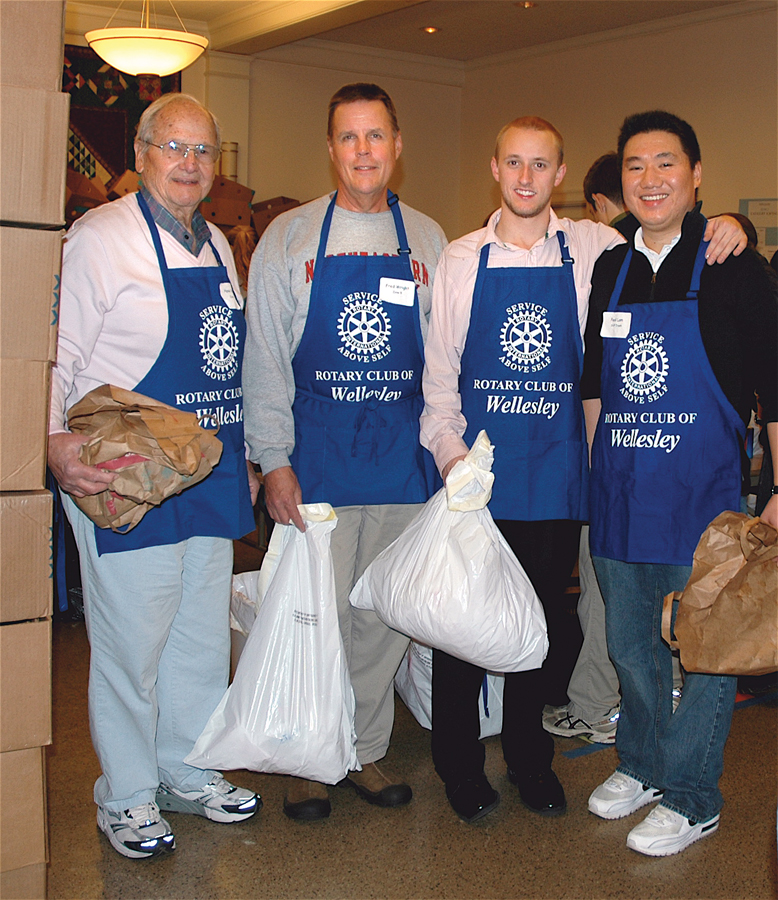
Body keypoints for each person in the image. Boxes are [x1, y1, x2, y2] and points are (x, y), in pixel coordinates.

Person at [419, 116, 746, 825]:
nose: (527, 177)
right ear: (496, 170)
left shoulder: (597, 248)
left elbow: (669, 233)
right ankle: (458, 763)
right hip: (475, 476)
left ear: (561, 175)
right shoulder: (459, 259)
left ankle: (530, 759)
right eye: (514, 163)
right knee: (461, 627)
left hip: (557, 475)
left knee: (538, 626)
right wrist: (452, 463)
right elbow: (440, 379)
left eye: (541, 164)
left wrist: (725, 223)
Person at [48, 93, 261, 860]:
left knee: (200, 639)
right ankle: (128, 795)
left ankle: (187, 767)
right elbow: (61, 350)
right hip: (128, 471)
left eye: (203, 151)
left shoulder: (218, 247)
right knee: (132, 643)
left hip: (205, 468)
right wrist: (52, 441)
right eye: (173, 147)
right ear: (141, 154)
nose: (189, 164)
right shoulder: (99, 238)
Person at [242, 83, 447, 821]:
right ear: (331, 149)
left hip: (400, 460)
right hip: (317, 458)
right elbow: (263, 357)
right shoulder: (290, 240)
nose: (363, 151)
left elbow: (445, 360)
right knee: (312, 616)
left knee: (380, 618)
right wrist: (273, 458)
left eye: (375, 137)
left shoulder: (427, 239)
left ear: (397, 146)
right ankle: (308, 757)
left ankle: (361, 747)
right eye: (348, 138)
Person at [583, 110, 777, 857]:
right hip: (625, 492)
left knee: (705, 652)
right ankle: (642, 763)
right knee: (631, 645)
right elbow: (595, 380)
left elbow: (774, 386)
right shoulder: (611, 266)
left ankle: (694, 795)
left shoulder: (733, 264)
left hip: (706, 503)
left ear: (696, 176)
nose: (650, 179)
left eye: (667, 164)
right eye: (635, 166)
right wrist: (600, 474)